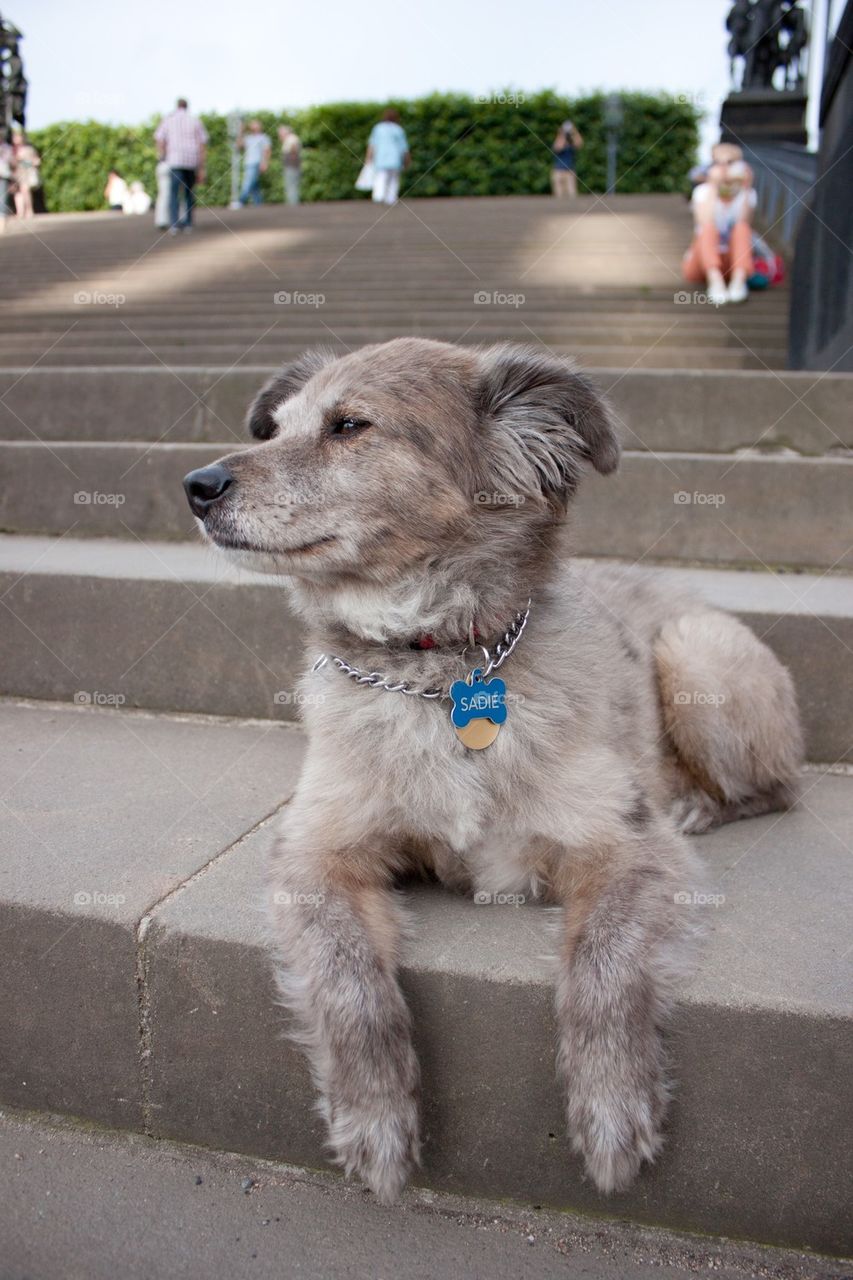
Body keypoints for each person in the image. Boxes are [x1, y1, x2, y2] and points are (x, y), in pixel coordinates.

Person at [682, 141, 755, 305]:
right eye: (718, 163)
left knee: (742, 228)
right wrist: (714, 186)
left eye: (730, 162)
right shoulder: (702, 192)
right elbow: (704, 221)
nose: (723, 168)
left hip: (730, 261)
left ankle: (738, 282)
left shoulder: (747, 194)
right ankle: (715, 282)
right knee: (707, 228)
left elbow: (744, 221)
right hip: (702, 263)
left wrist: (745, 187)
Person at [154, 97, 208, 235]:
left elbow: (159, 138)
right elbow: (202, 144)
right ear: (187, 106)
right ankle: (188, 223)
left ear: (177, 106)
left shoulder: (168, 120)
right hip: (191, 161)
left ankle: (174, 224)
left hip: (175, 161)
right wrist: (202, 166)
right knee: (189, 193)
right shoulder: (195, 120)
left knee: (173, 193)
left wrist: (163, 154)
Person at [365, 109, 410, 205]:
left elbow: (372, 145)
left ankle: (378, 197)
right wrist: (407, 161)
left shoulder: (378, 128)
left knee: (381, 178)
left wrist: (368, 158)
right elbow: (404, 148)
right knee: (393, 179)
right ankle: (391, 198)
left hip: (381, 159)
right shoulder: (398, 129)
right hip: (395, 159)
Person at [238, 119, 272, 206]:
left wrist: (265, 163)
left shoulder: (264, 137)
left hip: (256, 163)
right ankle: (258, 203)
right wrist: (241, 131)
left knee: (248, 182)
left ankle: (240, 201)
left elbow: (267, 151)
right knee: (254, 185)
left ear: (259, 126)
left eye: (255, 124)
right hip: (248, 163)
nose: (252, 126)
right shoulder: (248, 137)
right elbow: (239, 146)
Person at [11, 129, 40, 219]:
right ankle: (20, 212)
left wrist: (26, 162)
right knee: (18, 193)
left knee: (25, 191)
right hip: (16, 174)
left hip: (26, 174)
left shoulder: (29, 149)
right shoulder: (12, 149)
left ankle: (29, 210)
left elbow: (36, 161)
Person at [551, 120, 583, 197]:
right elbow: (558, 147)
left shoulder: (572, 143)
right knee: (559, 196)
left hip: (569, 171)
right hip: (558, 171)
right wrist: (562, 134)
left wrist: (574, 131)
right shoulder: (559, 139)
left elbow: (579, 144)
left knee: (572, 195)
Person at [278, 123, 302, 205]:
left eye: (280, 134)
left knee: (291, 185)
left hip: (291, 166)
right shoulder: (291, 138)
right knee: (291, 185)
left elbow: (293, 147)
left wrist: (292, 157)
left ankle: (293, 205)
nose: (279, 136)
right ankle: (292, 204)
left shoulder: (291, 138)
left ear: (285, 133)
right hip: (292, 165)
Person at [154, 159, 172, 228]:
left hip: (164, 165)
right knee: (165, 195)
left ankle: (162, 220)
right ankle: (162, 220)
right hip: (168, 165)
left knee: (164, 195)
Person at [0, 139, 12, 231]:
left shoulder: (6, 148)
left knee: (3, 200)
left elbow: (9, 160)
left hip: (3, 176)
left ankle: (3, 225)